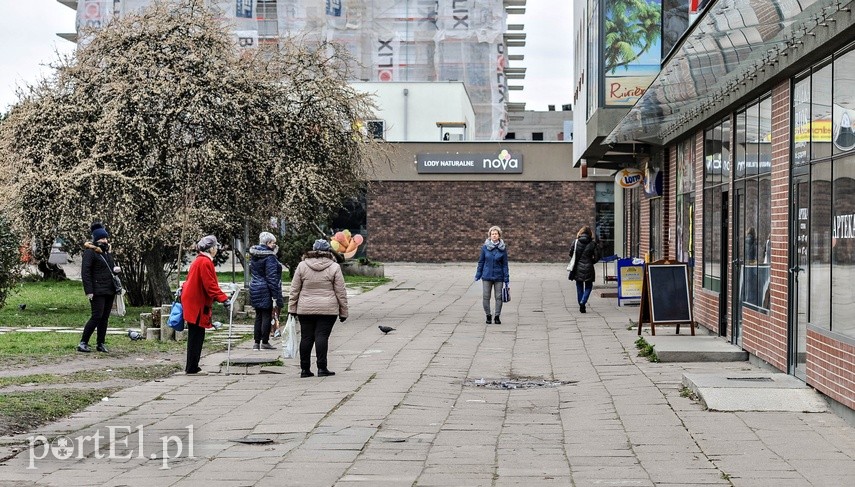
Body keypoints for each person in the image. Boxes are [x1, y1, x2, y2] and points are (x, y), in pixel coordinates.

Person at [288, 239, 348, 378]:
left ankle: (304, 369)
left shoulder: (302, 266)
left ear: (313, 250)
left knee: (306, 337)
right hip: (328, 309)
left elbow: (294, 289)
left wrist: (292, 308)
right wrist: (343, 311)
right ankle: (322, 368)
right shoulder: (334, 267)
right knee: (322, 336)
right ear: (328, 251)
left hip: (305, 308)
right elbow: (341, 291)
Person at [182, 235, 231, 375]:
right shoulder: (205, 262)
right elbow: (210, 285)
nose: (216, 249)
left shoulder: (199, 261)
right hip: (196, 303)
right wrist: (224, 299)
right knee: (196, 336)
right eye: (215, 247)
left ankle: (192, 365)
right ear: (211, 249)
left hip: (194, 301)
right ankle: (191, 367)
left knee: (196, 334)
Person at [78, 223, 120, 353]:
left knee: (105, 318)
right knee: (97, 316)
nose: (105, 241)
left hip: (109, 289)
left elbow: (110, 268)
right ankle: (83, 342)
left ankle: (100, 343)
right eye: (102, 238)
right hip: (97, 290)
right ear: (96, 239)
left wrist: (116, 270)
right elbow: (86, 272)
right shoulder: (90, 253)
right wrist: (89, 291)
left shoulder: (107, 252)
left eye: (106, 238)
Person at [249, 231, 283, 350]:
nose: (275, 245)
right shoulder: (270, 257)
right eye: (273, 243)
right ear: (268, 243)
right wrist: (275, 295)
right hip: (266, 289)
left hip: (255, 287)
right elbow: (271, 277)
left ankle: (256, 342)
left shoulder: (255, 255)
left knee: (259, 316)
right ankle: (265, 341)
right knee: (267, 315)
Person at [475, 225, 509, 324]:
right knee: (486, 296)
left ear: (499, 235)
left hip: (499, 276)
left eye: (496, 234)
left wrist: (506, 278)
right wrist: (478, 274)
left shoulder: (503, 248)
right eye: (492, 234)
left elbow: (505, 264)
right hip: (487, 276)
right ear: (490, 235)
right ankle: (488, 315)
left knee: (499, 297)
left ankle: (497, 316)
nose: (494, 236)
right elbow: (481, 262)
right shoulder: (485, 248)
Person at [569, 225, 601, 313]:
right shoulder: (593, 244)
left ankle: (581, 303)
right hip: (589, 267)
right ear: (590, 234)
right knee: (588, 286)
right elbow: (598, 256)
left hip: (578, 267)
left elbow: (571, 253)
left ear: (580, 232)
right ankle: (583, 301)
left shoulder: (575, 242)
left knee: (579, 286)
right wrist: (591, 262)